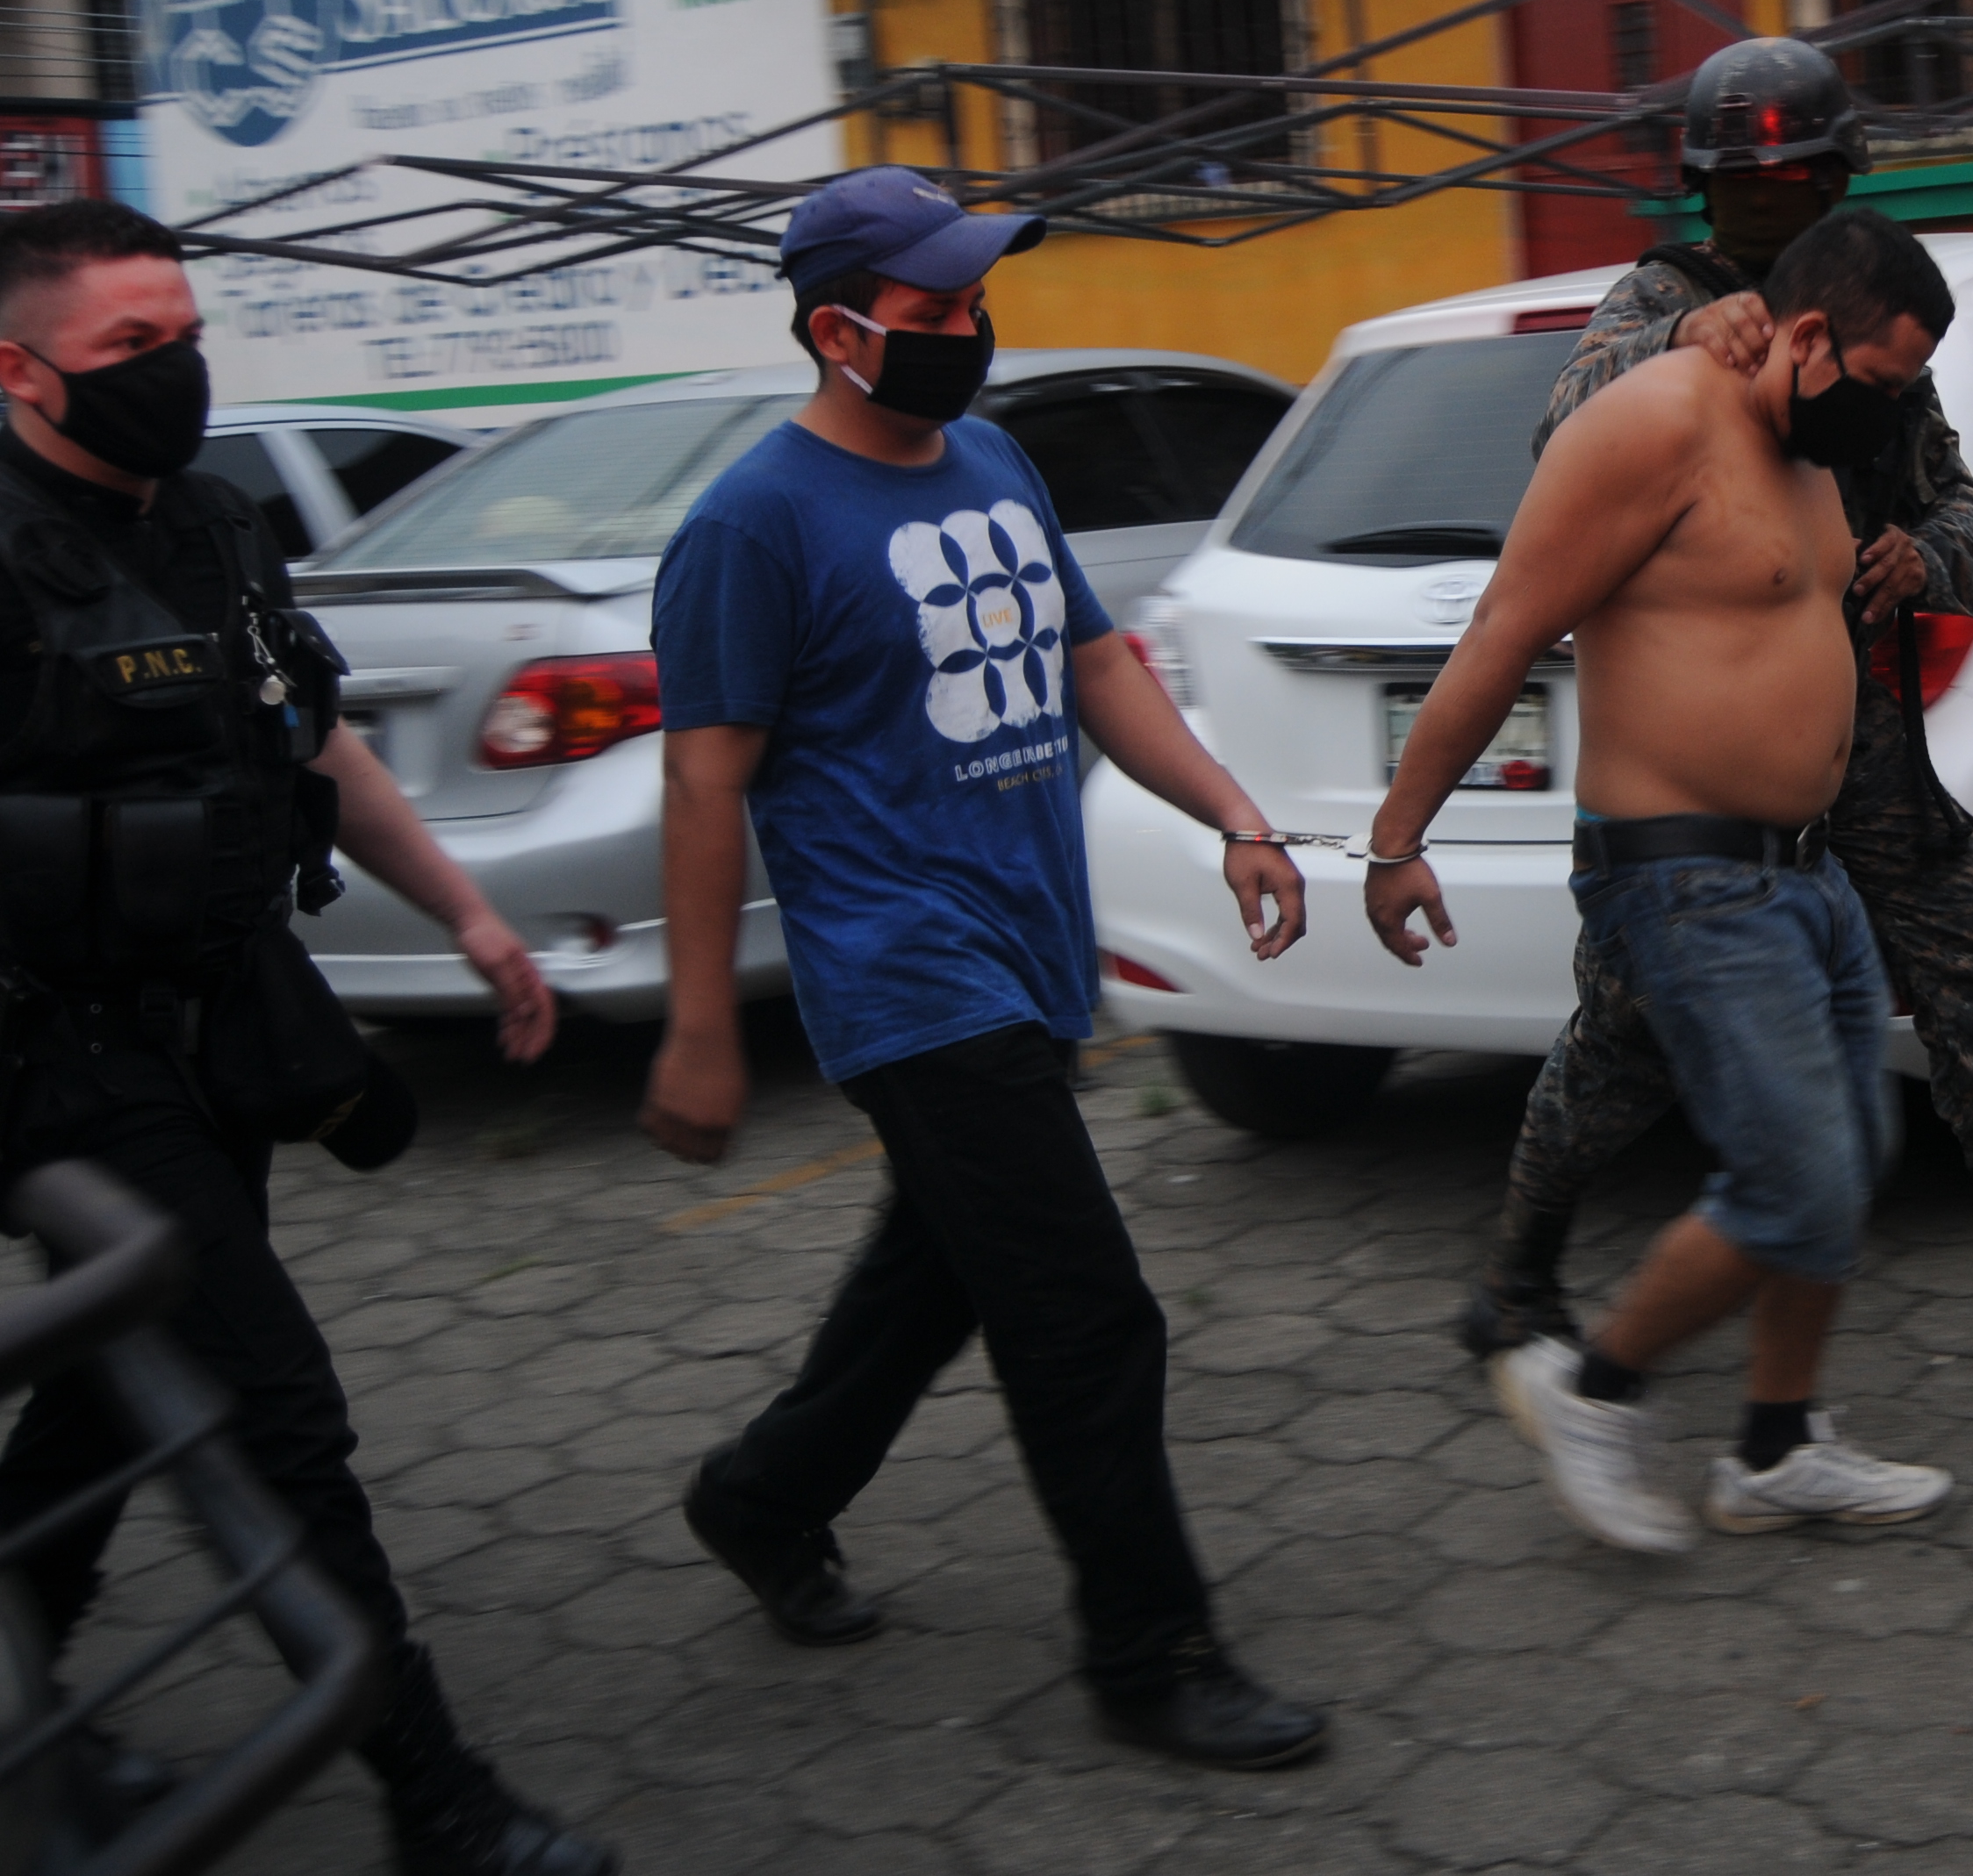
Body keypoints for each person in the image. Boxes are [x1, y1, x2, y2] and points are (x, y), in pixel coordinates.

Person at [639, 167, 1326, 1770]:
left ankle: (762, 1495)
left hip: (1024, 942)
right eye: (934, 311)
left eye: (973, 301)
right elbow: (702, 778)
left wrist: (1232, 808)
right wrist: (696, 1028)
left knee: (941, 1264)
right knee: (1086, 1311)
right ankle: (1150, 1649)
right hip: (904, 967)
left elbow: (1094, 658)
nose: (970, 331)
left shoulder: (996, 455)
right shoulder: (751, 524)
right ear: (836, 328)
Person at [0, 201, 611, 1876]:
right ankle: (438, 1797)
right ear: (20, 366)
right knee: (273, 1407)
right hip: (57, 1057)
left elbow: (314, 736)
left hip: (218, 1028)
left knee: (122, 1389)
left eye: (184, 332)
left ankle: (15, 1702)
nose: (174, 368)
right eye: (131, 346)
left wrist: (469, 913)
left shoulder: (211, 523)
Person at [1458, 38, 1973, 1371]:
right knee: (1622, 1047)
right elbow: (1562, 426)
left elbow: (1960, 495)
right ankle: (1517, 1278)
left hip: (1873, 755)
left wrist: (1931, 557)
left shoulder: (1864, 315)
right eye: (1747, 190)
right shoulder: (1656, 302)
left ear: (1837, 179)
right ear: (1704, 193)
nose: (1772, 209)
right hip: (1705, 783)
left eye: (1798, 182)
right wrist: (1675, 339)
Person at [1368, 205, 1962, 1552]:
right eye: (1882, 385)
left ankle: (1775, 1448)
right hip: (1687, 879)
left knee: (1853, 1157)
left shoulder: (1811, 453)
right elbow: (1503, 633)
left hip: (1805, 877)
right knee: (1796, 1180)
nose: (1895, 417)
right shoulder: (1654, 424)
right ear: (1804, 334)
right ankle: (1595, 1389)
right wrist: (1396, 843)